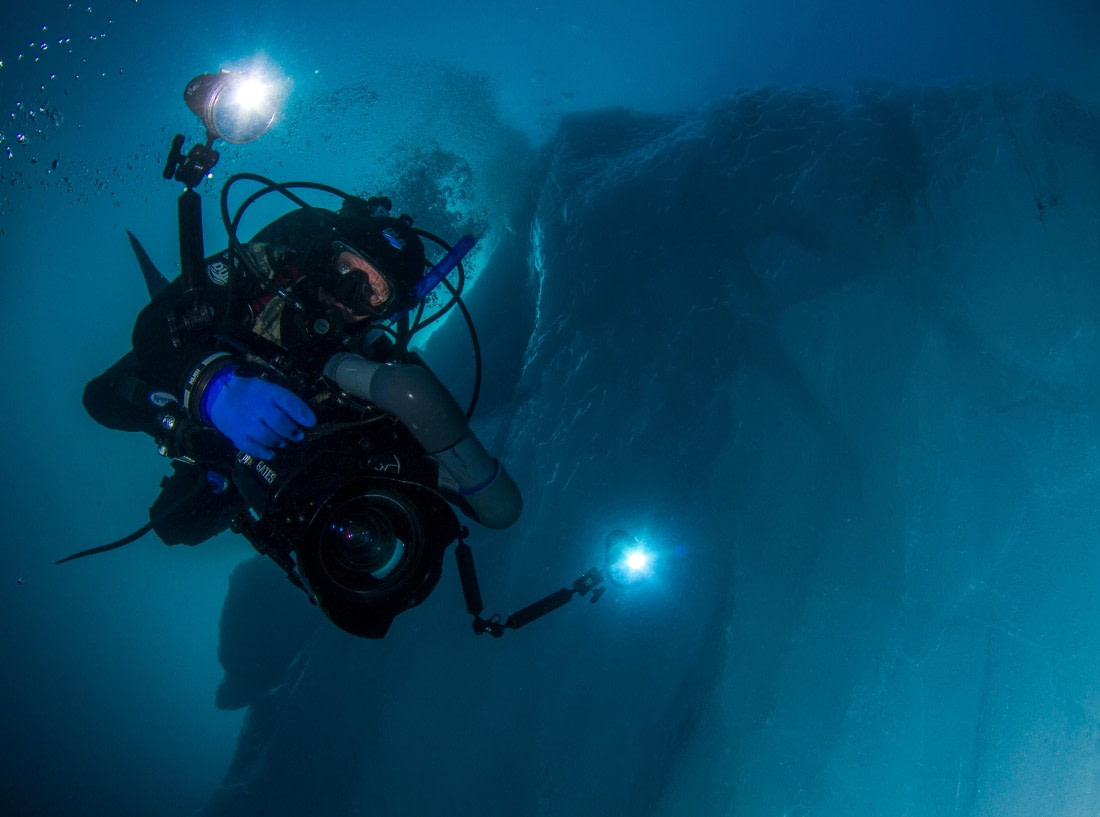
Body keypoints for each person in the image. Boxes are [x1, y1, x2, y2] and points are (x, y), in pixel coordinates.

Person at [81, 192, 521, 552]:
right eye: (348, 268)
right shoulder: (262, 268)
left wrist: (432, 477)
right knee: (107, 401)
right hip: (196, 377)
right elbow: (154, 328)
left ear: (387, 311)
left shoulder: (380, 364)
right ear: (328, 254)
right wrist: (213, 388)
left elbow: (484, 502)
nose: (349, 292)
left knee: (184, 524)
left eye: (373, 292)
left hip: (267, 457)